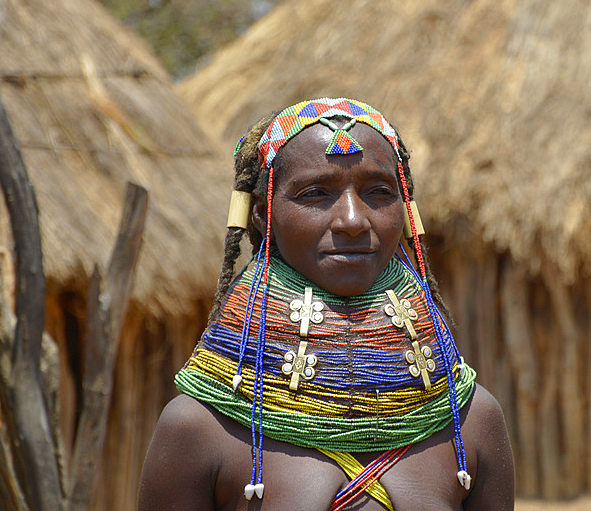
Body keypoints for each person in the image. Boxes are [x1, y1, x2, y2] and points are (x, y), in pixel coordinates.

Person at [139, 98, 514, 510]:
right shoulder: (199, 429)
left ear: (405, 210)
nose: (353, 220)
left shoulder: (469, 420)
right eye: (316, 193)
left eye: (379, 192)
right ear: (264, 215)